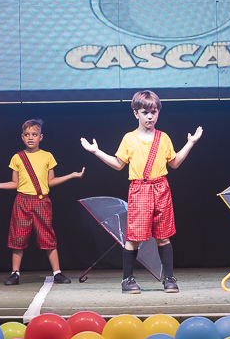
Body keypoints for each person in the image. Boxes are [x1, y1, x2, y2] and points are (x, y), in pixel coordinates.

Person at [81, 90, 202, 294]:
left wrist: (190, 143)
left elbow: (174, 163)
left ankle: (169, 278)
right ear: (136, 113)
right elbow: (118, 164)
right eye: (145, 112)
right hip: (140, 189)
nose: (150, 116)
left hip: (161, 188)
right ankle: (127, 280)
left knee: (163, 236)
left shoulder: (163, 138)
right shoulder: (129, 138)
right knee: (134, 236)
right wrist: (96, 152)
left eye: (154, 112)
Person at [0, 119, 84, 286]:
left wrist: (71, 175)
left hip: (42, 202)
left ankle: (57, 273)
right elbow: (14, 183)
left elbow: (50, 181)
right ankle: (15, 273)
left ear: (40, 137)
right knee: (18, 237)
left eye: (34, 134)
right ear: (22, 137)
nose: (31, 137)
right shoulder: (17, 157)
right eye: (27, 134)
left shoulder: (47, 156)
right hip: (22, 202)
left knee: (48, 237)